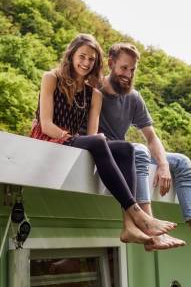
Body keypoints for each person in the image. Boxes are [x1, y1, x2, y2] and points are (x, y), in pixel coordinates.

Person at [30, 34, 176, 247]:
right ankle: (138, 213)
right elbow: (46, 124)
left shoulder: (94, 94)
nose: (86, 63)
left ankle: (129, 226)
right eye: (82, 56)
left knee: (127, 148)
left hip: (73, 141)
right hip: (49, 138)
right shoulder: (51, 78)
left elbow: (91, 136)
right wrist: (74, 137)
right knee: (99, 142)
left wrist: (90, 140)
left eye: (91, 59)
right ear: (71, 55)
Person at [98, 42, 191, 250]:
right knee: (139, 151)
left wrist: (162, 165)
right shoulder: (95, 90)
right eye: (124, 68)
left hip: (126, 152)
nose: (128, 74)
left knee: (182, 162)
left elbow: (151, 136)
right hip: (107, 154)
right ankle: (150, 227)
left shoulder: (133, 97)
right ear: (110, 63)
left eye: (132, 69)